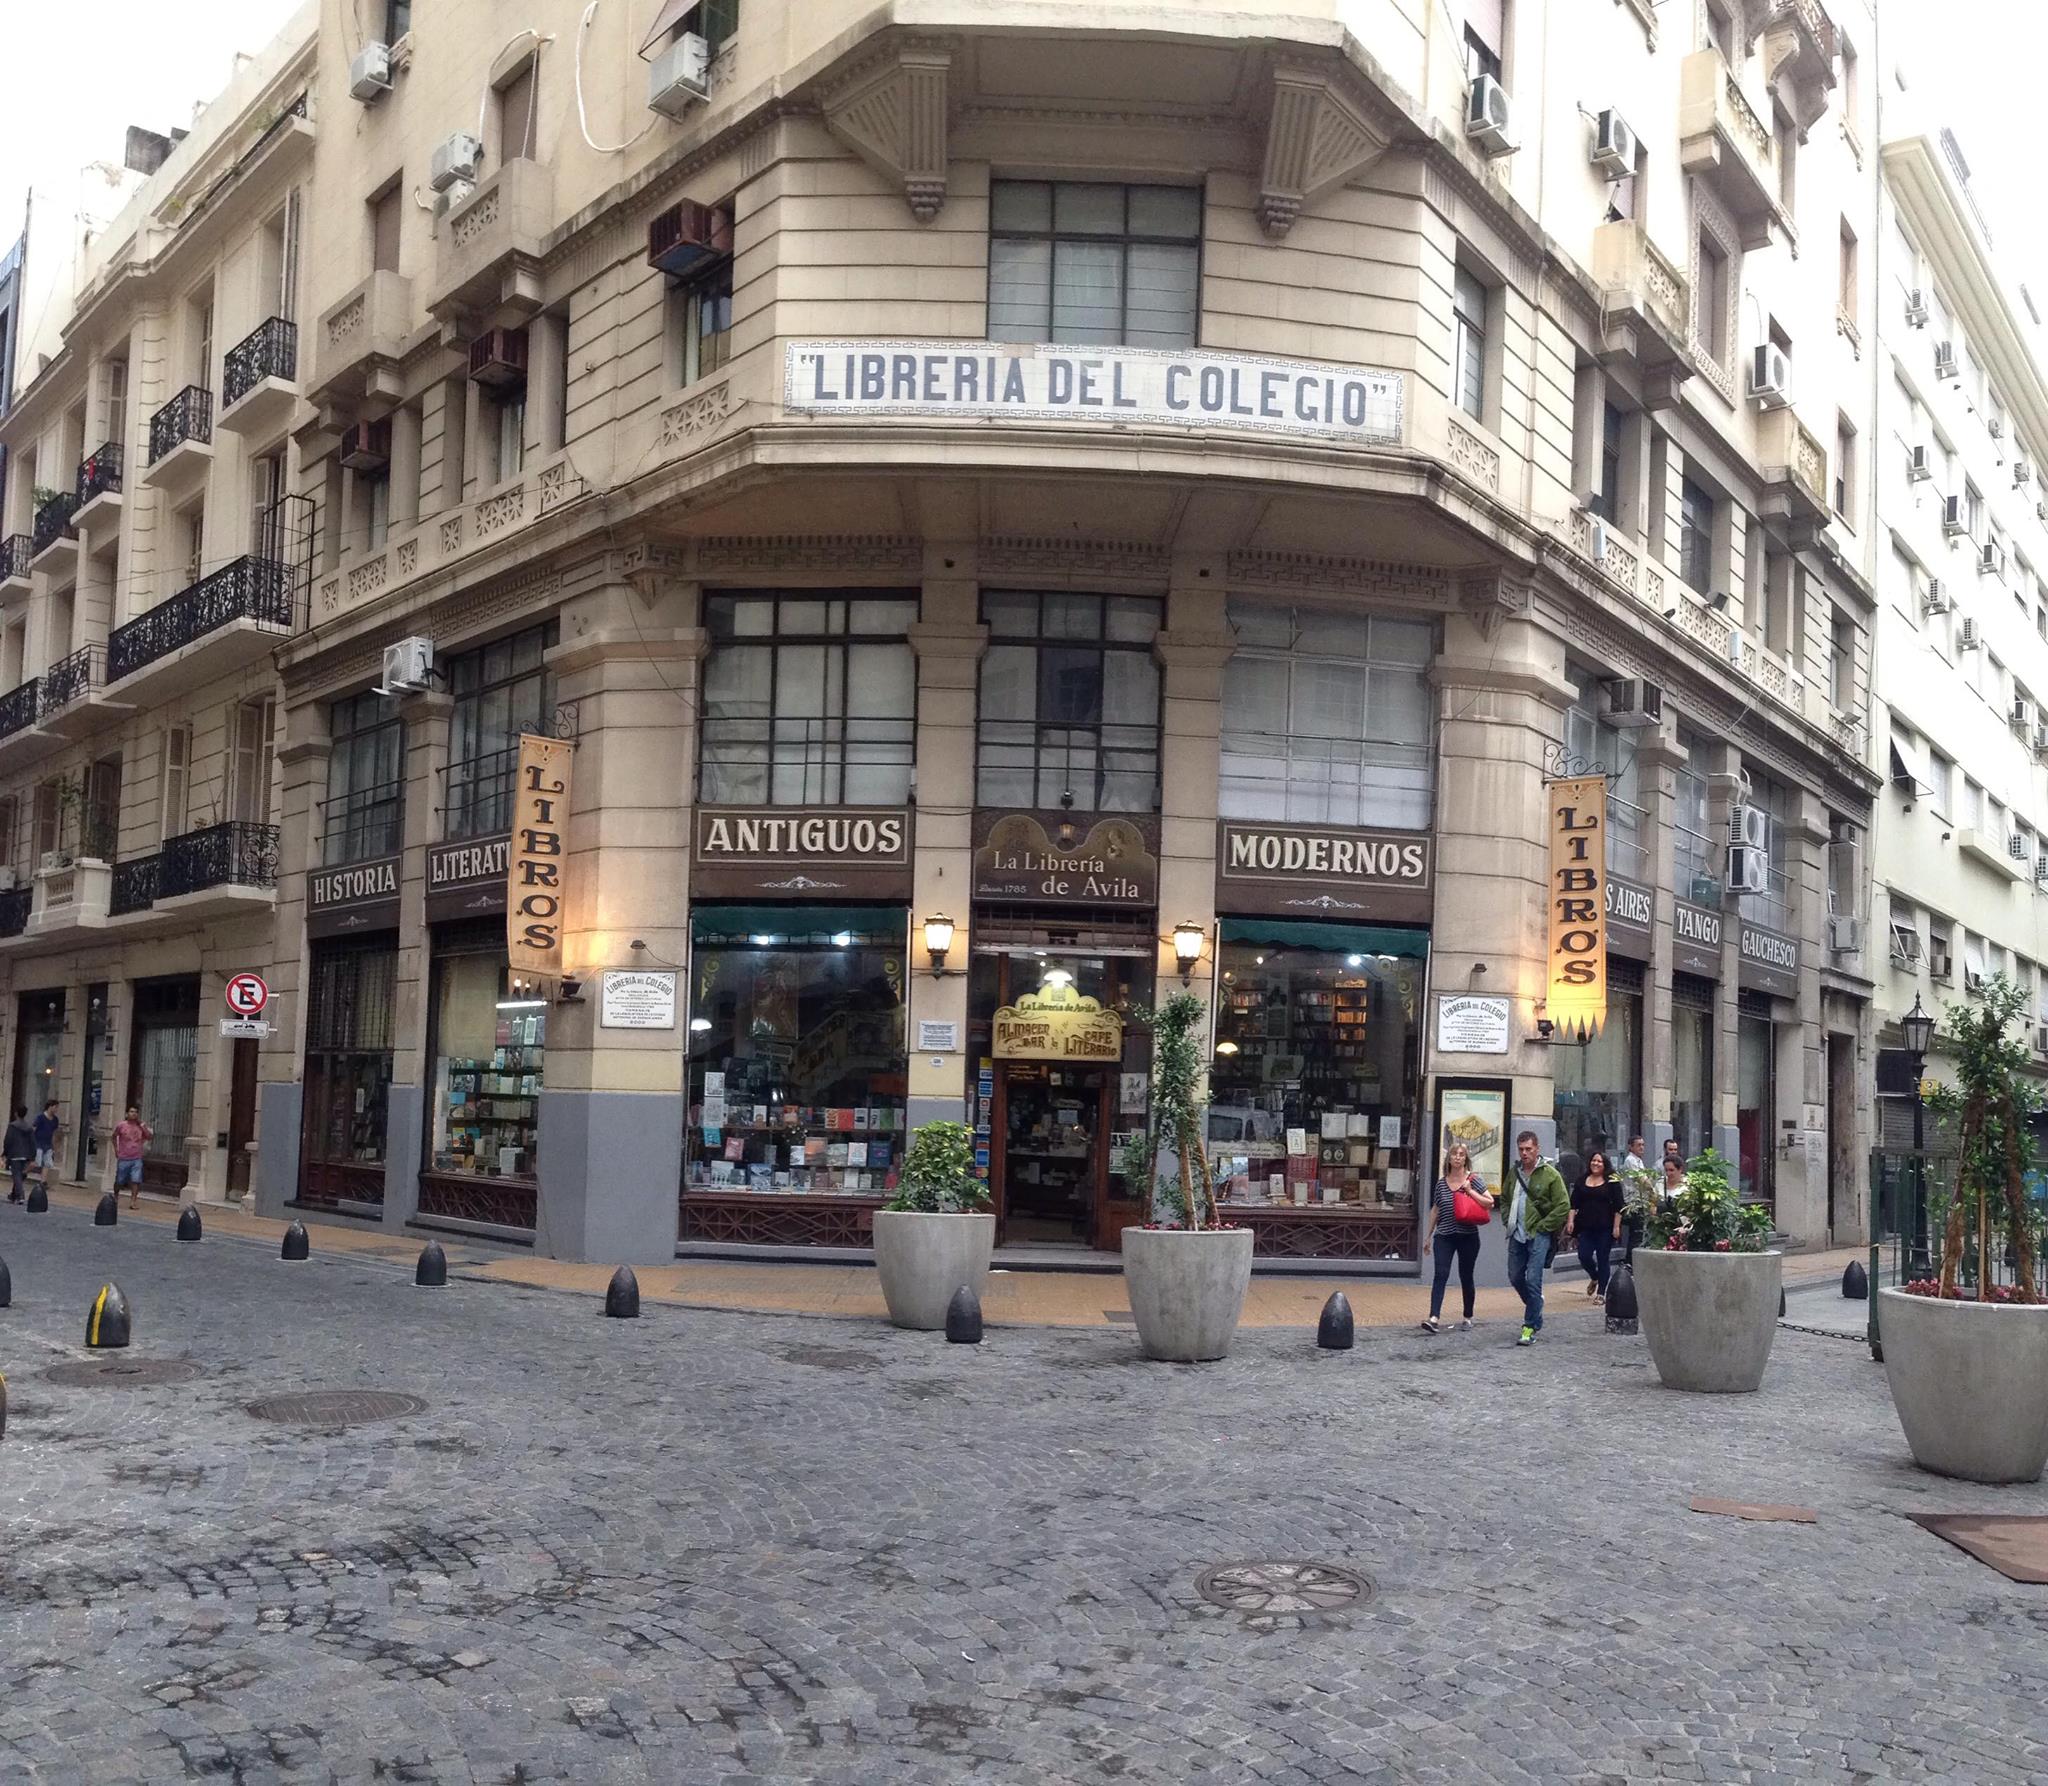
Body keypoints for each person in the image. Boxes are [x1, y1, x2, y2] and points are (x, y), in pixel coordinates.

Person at [1501, 1130, 1570, 1346]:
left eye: (1528, 1149)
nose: (1524, 1153)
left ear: (1537, 1149)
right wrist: (1507, 1220)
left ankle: (1529, 1327)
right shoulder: (1514, 1173)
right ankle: (1536, 1305)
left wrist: (1544, 1226)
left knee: (1533, 1279)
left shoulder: (1550, 1174)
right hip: (1517, 1233)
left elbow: (1563, 1205)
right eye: (1521, 1149)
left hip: (1538, 1234)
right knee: (1515, 1276)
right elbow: (1504, 1199)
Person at [1420, 1141, 1486, 1334]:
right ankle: (1433, 1318)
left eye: (1461, 1154)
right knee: (1441, 1273)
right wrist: (1428, 1236)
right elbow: (1435, 1210)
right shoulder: (1441, 1184)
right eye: (1454, 1154)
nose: (1457, 1157)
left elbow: (1489, 1202)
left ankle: (1467, 1316)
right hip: (1444, 1236)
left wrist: (1470, 1191)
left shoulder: (1473, 1180)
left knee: (1466, 1275)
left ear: (1466, 1159)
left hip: (1468, 1236)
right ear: (1448, 1159)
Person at [1567, 1148, 1625, 1299]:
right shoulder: (1582, 1180)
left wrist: (1616, 1226)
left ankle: (1601, 1293)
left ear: (1605, 1164)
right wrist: (1570, 1221)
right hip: (1586, 1226)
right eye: (1594, 1160)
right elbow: (1573, 1204)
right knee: (1583, 1255)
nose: (1596, 1163)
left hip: (1605, 1227)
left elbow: (1619, 1206)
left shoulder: (1612, 1181)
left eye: (1599, 1161)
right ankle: (1594, 1277)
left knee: (1602, 1258)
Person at [113, 1105, 152, 1208]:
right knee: (119, 1180)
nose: (133, 1114)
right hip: (124, 1157)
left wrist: (143, 1126)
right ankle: (115, 1196)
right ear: (127, 1114)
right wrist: (116, 1149)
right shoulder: (121, 1125)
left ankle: (133, 1201)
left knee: (136, 1180)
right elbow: (114, 1136)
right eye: (131, 1112)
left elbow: (149, 1137)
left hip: (136, 1158)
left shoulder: (141, 1126)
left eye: (135, 1112)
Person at [2, 1106, 31, 1203]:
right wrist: (32, 1155)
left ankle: (20, 1195)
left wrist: (5, 1152)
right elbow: (32, 1141)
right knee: (19, 1174)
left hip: (15, 1153)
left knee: (16, 1175)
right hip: (26, 1154)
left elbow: (8, 1140)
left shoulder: (12, 1126)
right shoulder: (29, 1127)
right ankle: (13, 1194)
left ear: (16, 1113)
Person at [32, 1098, 60, 1185]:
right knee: (37, 1163)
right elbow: (33, 1129)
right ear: (50, 1107)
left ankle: (43, 1181)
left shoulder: (55, 1120)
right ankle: (24, 1172)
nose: (57, 1109)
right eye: (55, 1107)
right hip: (38, 1143)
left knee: (47, 1164)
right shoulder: (40, 1118)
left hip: (48, 1144)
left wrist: (54, 1147)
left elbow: (54, 1133)